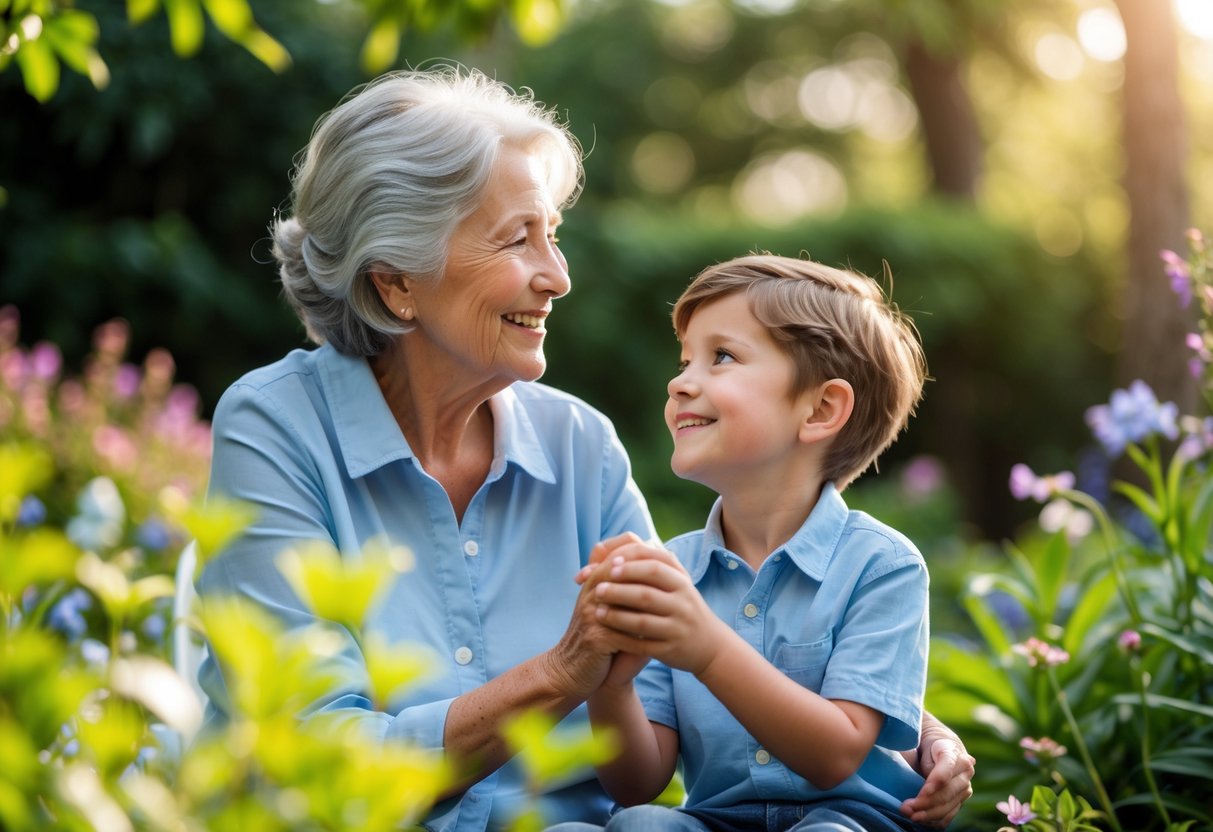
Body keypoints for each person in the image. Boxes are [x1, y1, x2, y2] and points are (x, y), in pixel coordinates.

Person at [196, 67, 974, 831]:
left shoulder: (577, 444)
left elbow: (718, 640)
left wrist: (908, 731)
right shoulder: (278, 429)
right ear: (396, 279)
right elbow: (313, 759)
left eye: (553, 237)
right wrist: (561, 673)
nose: (558, 277)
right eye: (517, 241)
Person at [572, 254, 957, 831]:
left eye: (721, 357)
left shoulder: (884, 567)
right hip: (719, 820)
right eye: (684, 361)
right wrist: (609, 678)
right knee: (639, 826)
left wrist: (706, 647)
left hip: (852, 819)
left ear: (821, 409)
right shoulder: (673, 568)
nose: (679, 381)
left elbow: (837, 753)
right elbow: (637, 782)